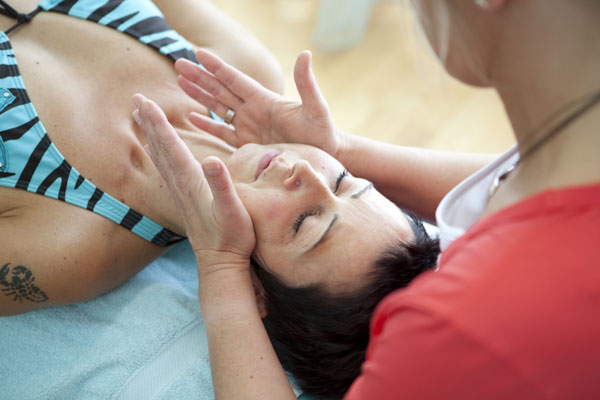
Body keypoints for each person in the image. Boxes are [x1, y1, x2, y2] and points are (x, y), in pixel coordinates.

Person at [135, 0, 600, 398]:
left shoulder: (451, 339)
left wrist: (219, 265)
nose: (307, 174)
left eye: (304, 224)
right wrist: (342, 156)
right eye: (346, 180)